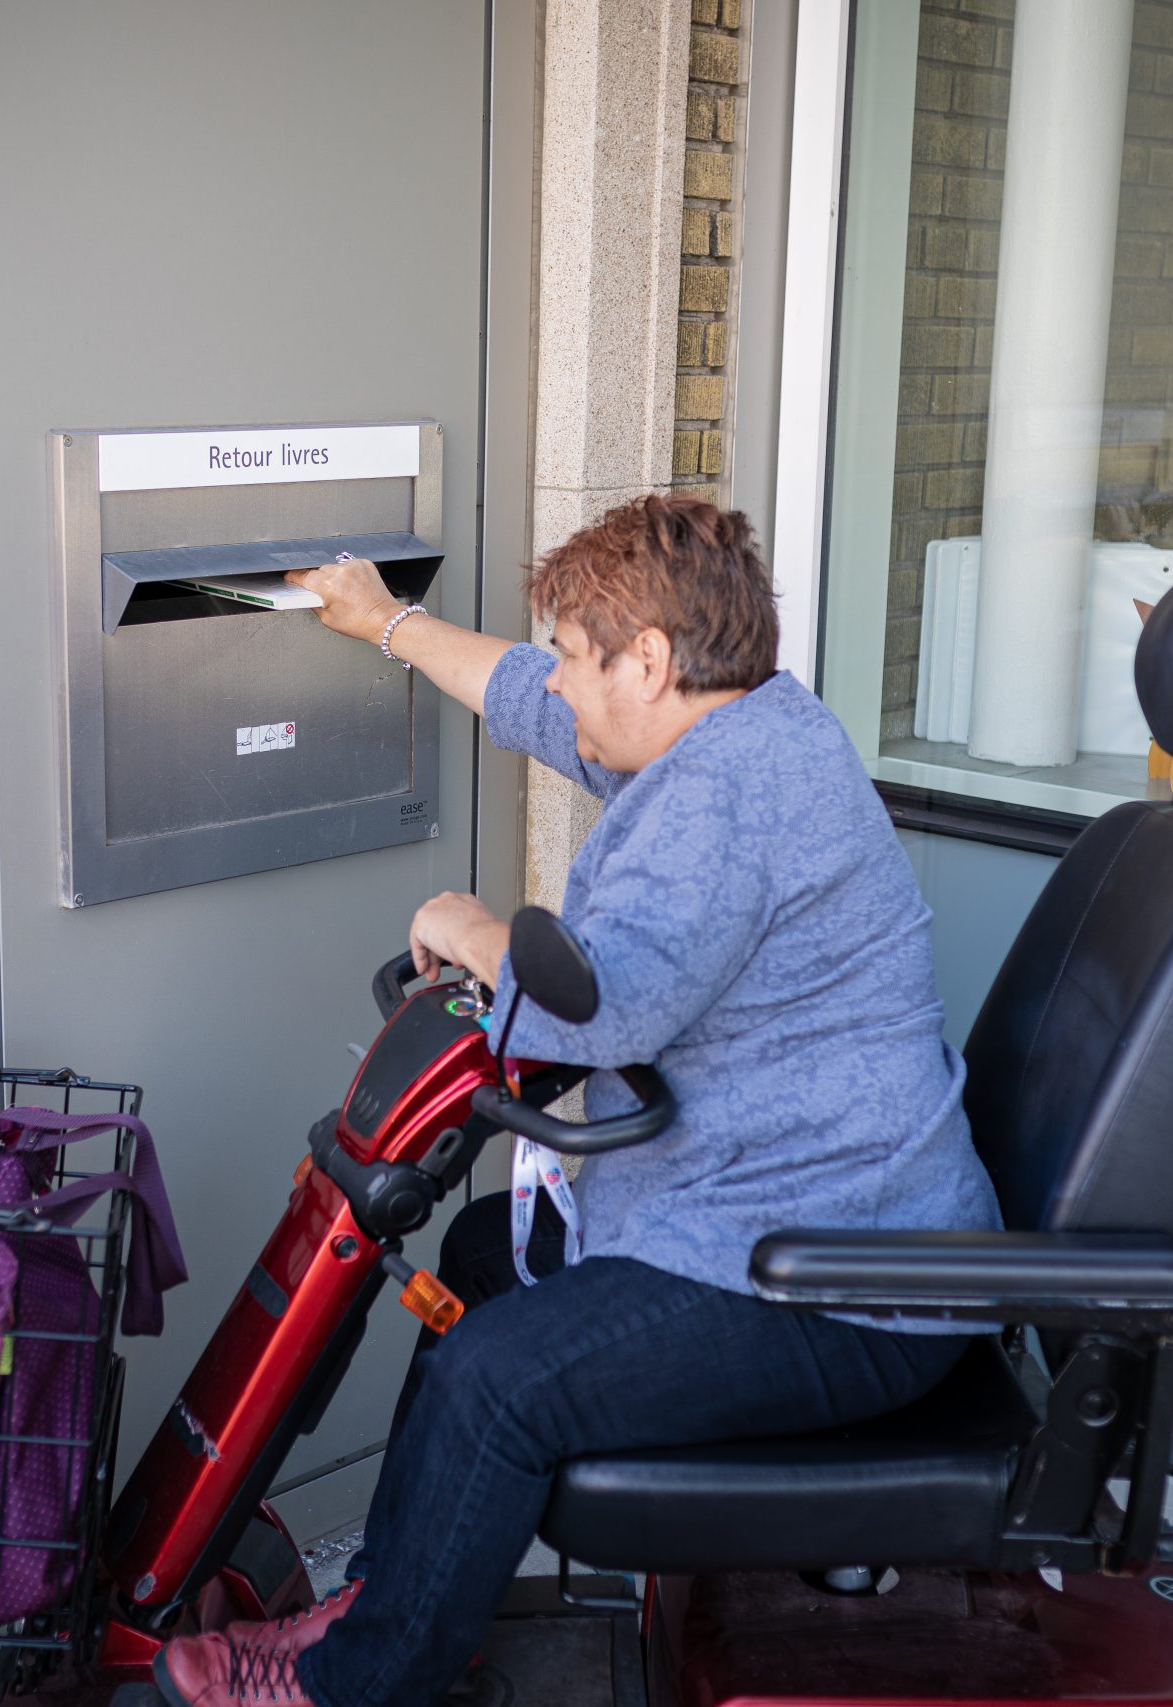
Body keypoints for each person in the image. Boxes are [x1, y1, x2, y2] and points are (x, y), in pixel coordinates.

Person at [150, 494, 1001, 1707]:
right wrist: (387, 623)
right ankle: (396, 1597)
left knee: (494, 1376)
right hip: (786, 1210)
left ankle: (360, 1683)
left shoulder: (723, 801)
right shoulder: (749, 726)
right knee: (481, 1253)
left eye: (574, 656)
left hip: (836, 1281)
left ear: (648, 662)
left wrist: (476, 930)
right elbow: (534, 703)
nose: (555, 683)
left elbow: (599, 1008)